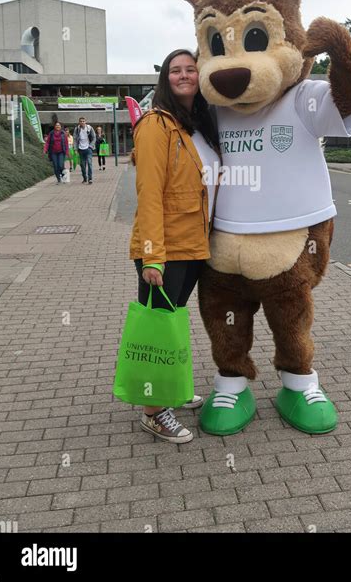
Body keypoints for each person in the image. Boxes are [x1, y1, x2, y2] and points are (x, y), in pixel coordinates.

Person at [129, 49, 220, 443]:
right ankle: (153, 410)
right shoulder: (155, 125)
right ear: (165, 79)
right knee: (157, 331)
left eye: (191, 69)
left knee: (173, 325)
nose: (184, 76)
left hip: (193, 247)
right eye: (175, 71)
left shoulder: (194, 124)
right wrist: (152, 255)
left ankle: (170, 391)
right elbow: (149, 192)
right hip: (165, 250)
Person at [73, 117, 96, 184]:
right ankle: (85, 178)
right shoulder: (77, 129)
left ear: (85, 122)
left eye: (83, 121)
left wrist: (90, 146)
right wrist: (75, 149)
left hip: (88, 149)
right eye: (81, 121)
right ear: (79, 122)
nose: (82, 122)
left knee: (89, 163)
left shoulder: (89, 128)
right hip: (80, 149)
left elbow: (94, 137)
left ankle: (90, 179)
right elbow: (74, 139)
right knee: (82, 165)